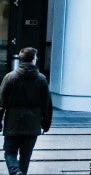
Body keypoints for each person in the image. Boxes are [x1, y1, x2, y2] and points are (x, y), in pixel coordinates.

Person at [0, 47, 52, 175]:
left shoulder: (10, 78)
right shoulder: (41, 79)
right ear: (33, 60)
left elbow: (1, 103)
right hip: (32, 126)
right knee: (25, 157)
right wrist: (46, 124)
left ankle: (15, 171)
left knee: (10, 153)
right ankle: (19, 172)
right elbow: (47, 105)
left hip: (13, 124)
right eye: (36, 57)